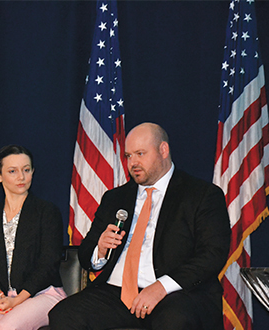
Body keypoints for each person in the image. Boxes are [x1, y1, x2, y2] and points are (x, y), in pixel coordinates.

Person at [48, 123, 231, 330]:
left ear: (163, 150)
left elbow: (213, 254)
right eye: (128, 156)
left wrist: (161, 286)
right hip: (116, 293)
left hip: (176, 293)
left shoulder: (201, 195)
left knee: (173, 321)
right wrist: (100, 249)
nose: (133, 162)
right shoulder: (115, 198)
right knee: (63, 315)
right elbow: (86, 255)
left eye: (140, 154)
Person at [0, 145, 66, 330]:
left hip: (43, 294)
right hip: (4, 296)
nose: (21, 177)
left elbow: (48, 264)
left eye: (26, 170)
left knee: (6, 327)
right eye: (13, 171)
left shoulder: (47, 212)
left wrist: (17, 300)